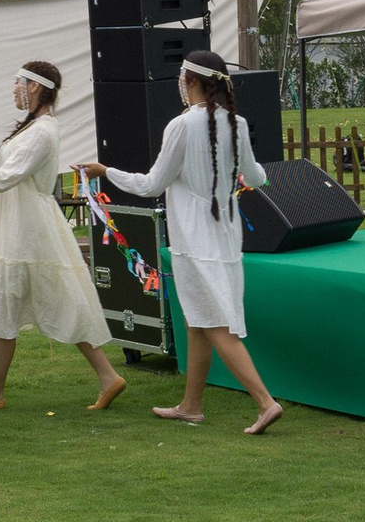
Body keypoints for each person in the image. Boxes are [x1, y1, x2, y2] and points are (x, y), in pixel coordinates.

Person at [81, 50, 286, 435]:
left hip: (194, 240)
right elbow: (257, 177)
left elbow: (152, 184)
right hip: (226, 238)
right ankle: (191, 406)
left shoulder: (181, 125)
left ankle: (265, 402)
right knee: (198, 321)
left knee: (216, 324)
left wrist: (106, 171)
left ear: (191, 81)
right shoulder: (238, 123)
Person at [0, 60, 127, 413]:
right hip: (20, 223)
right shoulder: (35, 127)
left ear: (34, 86)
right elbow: (4, 177)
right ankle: (102, 377)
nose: (14, 90)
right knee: (18, 302)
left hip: (28, 228)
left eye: (18, 83)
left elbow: (3, 178)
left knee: (23, 300)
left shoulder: (42, 132)